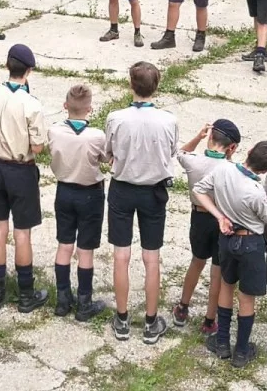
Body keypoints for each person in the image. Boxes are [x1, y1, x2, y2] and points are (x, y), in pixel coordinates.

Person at [192, 140, 267, 368]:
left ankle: (222, 342)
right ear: (265, 171)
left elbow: (199, 190)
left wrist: (219, 215)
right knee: (246, 296)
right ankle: (241, 351)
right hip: (250, 242)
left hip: (227, 237)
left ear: (250, 151)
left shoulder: (223, 168)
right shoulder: (255, 192)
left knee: (227, 284)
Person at [104, 62, 179, 344]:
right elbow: (171, 151)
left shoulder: (116, 118)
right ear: (156, 86)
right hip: (153, 192)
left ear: (130, 85)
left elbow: (108, 152)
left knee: (121, 255)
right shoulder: (168, 120)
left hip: (122, 189)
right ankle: (150, 322)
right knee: (152, 257)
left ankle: (122, 319)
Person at [0, 44, 48, 312]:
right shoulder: (31, 104)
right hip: (20, 170)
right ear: (28, 71)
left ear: (7, 66)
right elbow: (39, 148)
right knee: (22, 234)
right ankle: (26, 295)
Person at [172, 119, 243, 335]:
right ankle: (210, 320)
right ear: (232, 147)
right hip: (223, 220)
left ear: (210, 137)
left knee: (196, 261)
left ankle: (183, 307)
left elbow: (181, 152)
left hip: (200, 219)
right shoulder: (232, 169)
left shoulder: (194, 161)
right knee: (217, 272)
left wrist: (197, 137)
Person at [47, 84, 108, 321]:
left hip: (64, 192)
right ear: (90, 109)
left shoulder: (54, 131)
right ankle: (84, 302)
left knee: (64, 245)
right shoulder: (96, 136)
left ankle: (63, 300)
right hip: (90, 194)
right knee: (85, 249)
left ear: (65, 106)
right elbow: (105, 158)